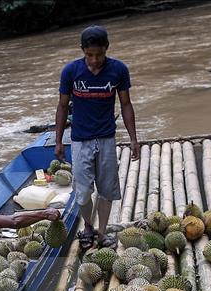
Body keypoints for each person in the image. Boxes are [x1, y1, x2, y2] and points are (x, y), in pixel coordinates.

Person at [55, 25, 140, 250]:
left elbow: (126, 104)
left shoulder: (118, 70)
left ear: (106, 49)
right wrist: (58, 141)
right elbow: (62, 107)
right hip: (80, 139)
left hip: (106, 138)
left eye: (99, 55)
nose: (94, 60)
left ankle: (101, 233)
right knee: (82, 194)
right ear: (83, 51)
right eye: (89, 55)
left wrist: (133, 139)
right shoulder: (71, 72)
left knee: (106, 190)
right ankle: (88, 226)